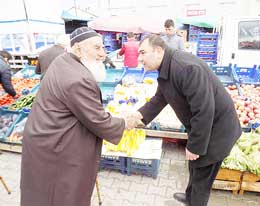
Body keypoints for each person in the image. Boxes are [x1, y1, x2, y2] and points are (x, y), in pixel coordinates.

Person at [20, 27, 135, 206]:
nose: (103, 54)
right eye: (97, 48)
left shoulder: (63, 61)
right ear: (78, 49)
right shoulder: (78, 79)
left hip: (46, 140)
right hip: (56, 147)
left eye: (103, 48)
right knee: (64, 195)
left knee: (43, 193)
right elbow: (98, 120)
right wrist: (124, 122)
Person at [131, 35, 242, 206]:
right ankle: (189, 197)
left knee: (202, 178)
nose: (139, 58)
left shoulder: (186, 68)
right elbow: (160, 98)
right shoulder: (166, 67)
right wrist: (138, 116)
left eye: (143, 53)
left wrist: (195, 146)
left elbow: (204, 110)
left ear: (159, 51)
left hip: (217, 130)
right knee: (194, 165)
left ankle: (195, 201)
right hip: (203, 127)